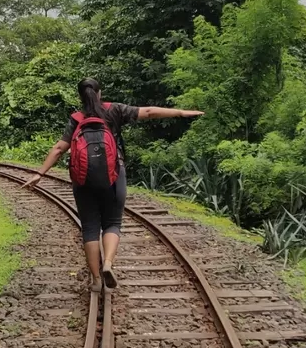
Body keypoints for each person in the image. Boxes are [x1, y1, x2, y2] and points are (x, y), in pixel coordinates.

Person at [22, 78, 203, 292]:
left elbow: (59, 148)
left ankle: (96, 279)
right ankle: (107, 263)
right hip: (114, 174)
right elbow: (149, 112)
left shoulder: (77, 118)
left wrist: (39, 174)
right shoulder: (114, 110)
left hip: (83, 180)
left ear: (81, 97)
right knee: (113, 222)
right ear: (99, 93)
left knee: (89, 227)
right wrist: (180, 113)